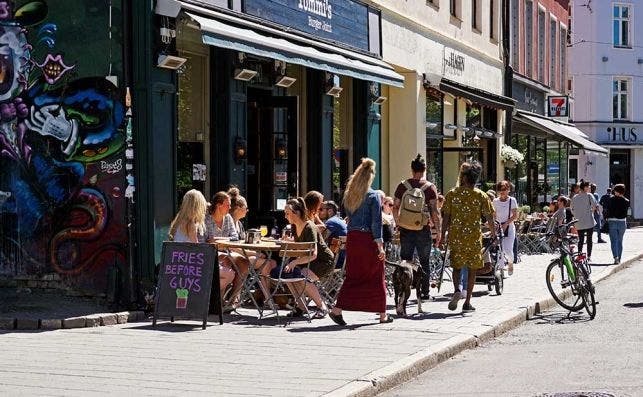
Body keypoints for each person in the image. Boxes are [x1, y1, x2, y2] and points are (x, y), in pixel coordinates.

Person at [329, 158, 392, 325]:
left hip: (353, 238)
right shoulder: (373, 196)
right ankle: (382, 314)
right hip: (367, 240)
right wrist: (380, 246)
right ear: (370, 176)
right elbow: (376, 223)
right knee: (377, 275)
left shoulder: (350, 195)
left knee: (354, 276)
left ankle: (337, 309)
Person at [440, 161, 495, 313]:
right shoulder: (481, 195)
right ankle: (467, 302)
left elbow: (446, 217)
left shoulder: (452, 194)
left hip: (456, 236)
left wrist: (441, 235)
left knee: (457, 267)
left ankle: (457, 289)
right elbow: (490, 217)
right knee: (472, 269)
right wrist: (494, 233)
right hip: (473, 237)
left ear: (463, 177)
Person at [169, 189, 235, 301]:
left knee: (224, 264)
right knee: (230, 274)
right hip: (191, 268)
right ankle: (201, 297)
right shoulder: (191, 225)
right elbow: (197, 251)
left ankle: (208, 300)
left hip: (179, 266)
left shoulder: (178, 221)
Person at [393, 154, 441, 300]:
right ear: (424, 169)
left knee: (405, 260)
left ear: (412, 169)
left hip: (406, 229)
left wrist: (398, 223)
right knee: (424, 261)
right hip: (423, 229)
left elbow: (395, 207)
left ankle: (403, 290)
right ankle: (425, 293)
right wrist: (438, 231)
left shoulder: (403, 185)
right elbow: (434, 211)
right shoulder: (429, 188)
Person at [275, 197, 332, 319]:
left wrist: (294, 262)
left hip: (323, 261)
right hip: (308, 261)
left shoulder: (309, 227)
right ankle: (301, 307)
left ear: (297, 213)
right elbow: (300, 245)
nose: (285, 216)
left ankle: (322, 307)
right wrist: (289, 241)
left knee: (303, 275)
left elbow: (313, 253)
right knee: (288, 273)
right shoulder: (295, 227)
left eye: (287, 213)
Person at [227, 187, 276, 302]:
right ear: (239, 208)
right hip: (233, 254)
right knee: (267, 263)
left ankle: (264, 295)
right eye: (246, 208)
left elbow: (243, 242)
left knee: (270, 262)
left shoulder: (238, 223)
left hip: (239, 253)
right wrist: (254, 252)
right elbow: (232, 245)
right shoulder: (229, 222)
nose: (247, 210)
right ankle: (267, 298)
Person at [493, 181, 518, 276]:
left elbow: (515, 215)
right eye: (500, 189)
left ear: (508, 190)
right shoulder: (495, 201)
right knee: (500, 250)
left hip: (509, 227)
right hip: (499, 227)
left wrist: (506, 223)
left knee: (508, 249)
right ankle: (501, 270)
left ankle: (510, 263)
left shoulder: (512, 200)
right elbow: (494, 215)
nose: (502, 192)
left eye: (504, 189)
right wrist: (493, 225)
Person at [571, 181, 598, 261]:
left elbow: (572, 209)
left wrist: (576, 215)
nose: (589, 188)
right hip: (588, 220)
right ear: (585, 187)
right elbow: (594, 206)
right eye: (588, 186)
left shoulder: (575, 197)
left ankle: (579, 255)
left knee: (581, 239)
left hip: (579, 221)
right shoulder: (589, 195)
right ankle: (589, 256)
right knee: (589, 239)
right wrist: (590, 212)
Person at [605, 184, 629, 264]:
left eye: (615, 190)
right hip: (622, 222)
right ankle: (619, 257)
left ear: (617, 191)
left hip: (612, 221)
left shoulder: (610, 199)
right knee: (620, 240)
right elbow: (626, 213)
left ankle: (616, 257)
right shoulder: (626, 201)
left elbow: (607, 210)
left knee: (613, 240)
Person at [319, 200, 347, 267]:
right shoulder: (337, 220)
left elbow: (321, 240)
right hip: (344, 260)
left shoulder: (331, 222)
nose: (319, 212)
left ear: (330, 211)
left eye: (321, 209)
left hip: (336, 261)